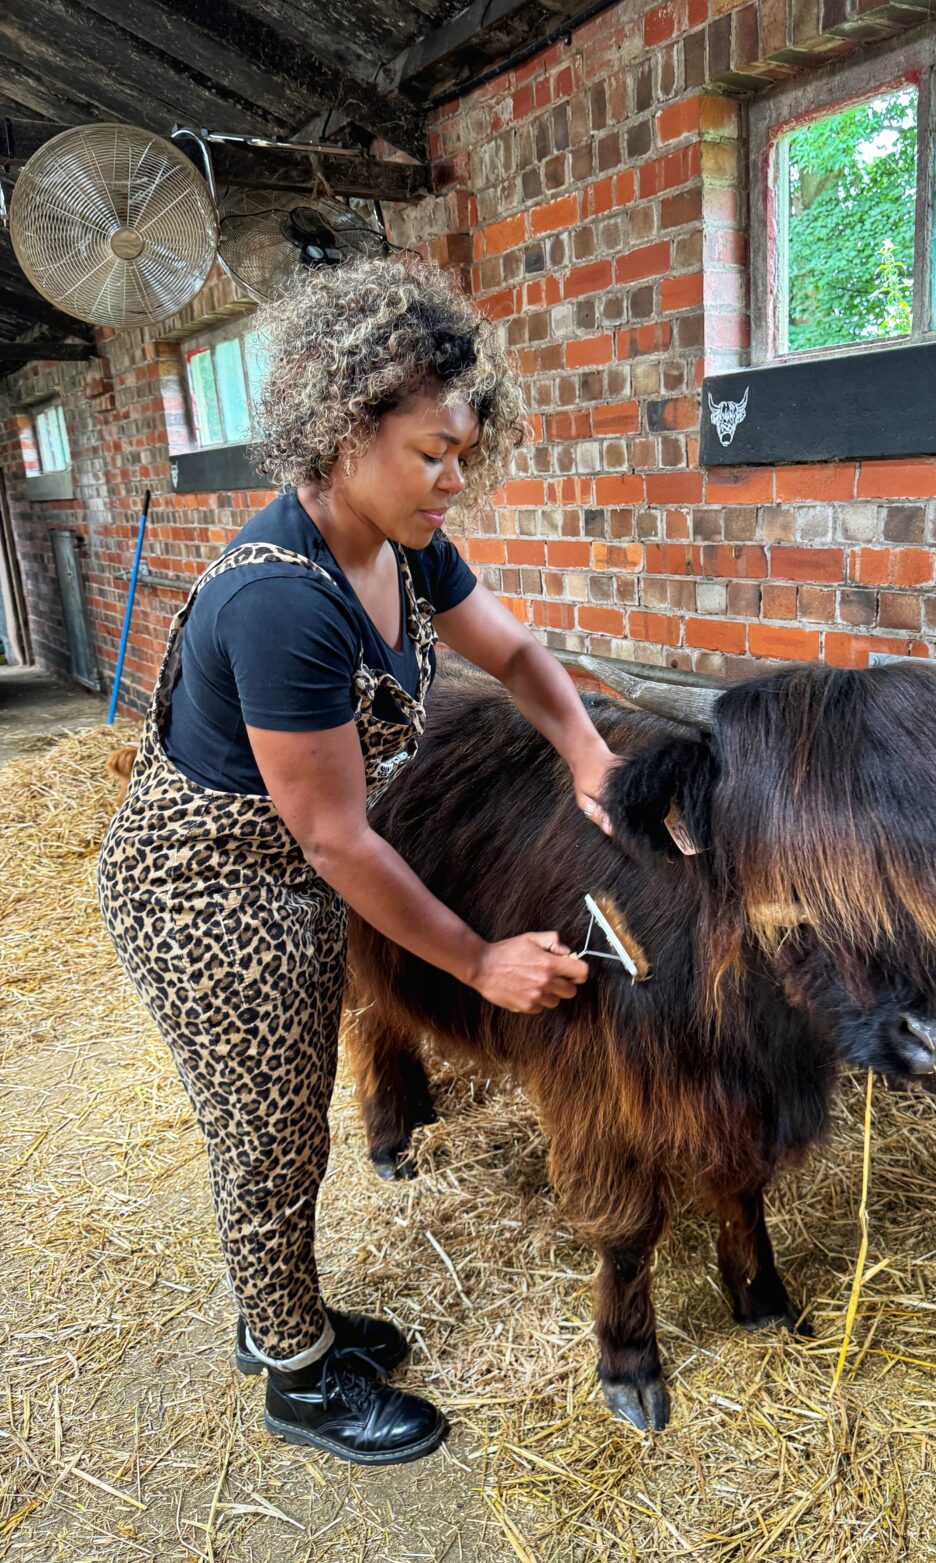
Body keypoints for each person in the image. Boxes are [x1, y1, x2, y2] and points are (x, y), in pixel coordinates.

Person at [97, 258, 619, 1466]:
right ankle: (294, 1371)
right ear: (344, 428)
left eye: (466, 452)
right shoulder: (282, 602)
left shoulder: (404, 544)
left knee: (286, 1116)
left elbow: (516, 653)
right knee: (272, 1129)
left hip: (288, 867)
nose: (456, 479)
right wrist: (480, 960)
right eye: (433, 451)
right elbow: (337, 836)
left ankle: (286, 1312)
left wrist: (590, 753)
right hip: (209, 887)